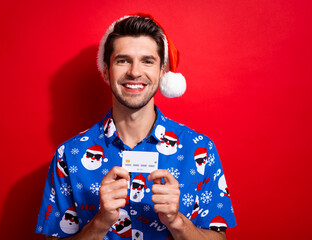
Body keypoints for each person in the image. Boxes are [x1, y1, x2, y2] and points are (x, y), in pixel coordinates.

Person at [35, 13, 236, 240]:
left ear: (162, 71)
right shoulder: (69, 155)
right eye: (123, 60)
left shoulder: (199, 150)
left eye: (147, 61)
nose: (135, 72)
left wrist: (176, 221)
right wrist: (101, 221)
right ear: (106, 69)